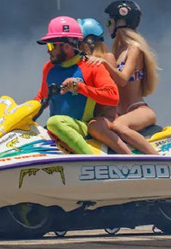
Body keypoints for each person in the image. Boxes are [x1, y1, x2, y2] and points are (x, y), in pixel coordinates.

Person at [34, 16, 119, 154]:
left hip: (82, 128)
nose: (48, 50)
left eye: (51, 45)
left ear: (67, 46)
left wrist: (80, 88)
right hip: (58, 130)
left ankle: (92, 161)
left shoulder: (92, 66)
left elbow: (113, 96)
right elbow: (41, 98)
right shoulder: (48, 67)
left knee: (54, 122)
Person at [97, 0, 159, 155]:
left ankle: (156, 159)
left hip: (138, 109)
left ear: (120, 21)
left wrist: (104, 63)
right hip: (123, 112)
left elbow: (123, 79)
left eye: (108, 21)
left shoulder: (134, 49)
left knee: (118, 126)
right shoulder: (118, 52)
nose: (107, 26)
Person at [77, 18, 132, 154]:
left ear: (89, 42)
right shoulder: (83, 62)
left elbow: (113, 95)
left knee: (95, 127)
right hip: (90, 118)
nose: (76, 47)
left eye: (79, 42)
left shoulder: (106, 58)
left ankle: (130, 158)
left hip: (107, 118)